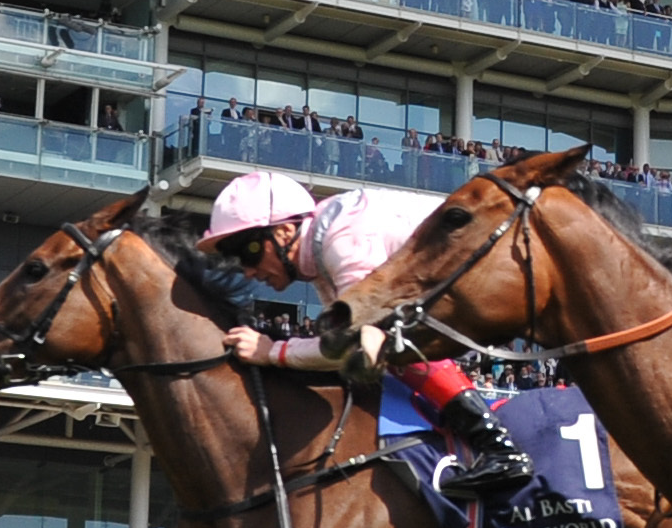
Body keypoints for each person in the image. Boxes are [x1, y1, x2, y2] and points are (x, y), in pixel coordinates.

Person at [200, 171, 538, 498]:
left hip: (515, 264)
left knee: (392, 348)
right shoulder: (324, 249)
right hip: (494, 272)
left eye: (249, 252)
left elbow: (352, 346)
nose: (246, 271)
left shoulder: (341, 238)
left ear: (285, 231)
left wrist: (272, 351)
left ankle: (499, 447)